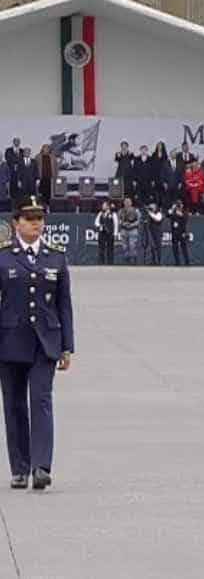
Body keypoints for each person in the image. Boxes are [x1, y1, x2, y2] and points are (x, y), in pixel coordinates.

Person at [0, 195, 74, 491]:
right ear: (16, 223)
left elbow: (64, 304)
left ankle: (41, 466)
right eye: (29, 219)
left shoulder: (55, 256)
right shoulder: (3, 256)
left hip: (45, 342)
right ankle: (20, 468)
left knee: (41, 401)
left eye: (39, 219)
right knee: (15, 405)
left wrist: (67, 345)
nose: (35, 224)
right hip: (9, 341)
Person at [118, 197, 141, 265]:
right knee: (124, 246)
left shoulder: (136, 210)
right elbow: (118, 220)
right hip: (124, 230)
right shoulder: (121, 211)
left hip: (133, 229)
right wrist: (123, 223)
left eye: (129, 202)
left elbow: (139, 220)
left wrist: (132, 224)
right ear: (124, 203)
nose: (127, 203)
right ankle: (126, 260)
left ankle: (133, 260)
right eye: (126, 202)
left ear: (131, 203)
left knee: (132, 245)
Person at [93, 200, 117, 266]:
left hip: (110, 233)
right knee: (101, 248)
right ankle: (101, 262)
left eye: (104, 205)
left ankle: (110, 263)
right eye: (103, 205)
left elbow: (116, 224)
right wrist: (100, 225)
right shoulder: (100, 213)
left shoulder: (113, 214)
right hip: (102, 233)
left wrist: (115, 233)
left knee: (110, 248)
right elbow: (96, 222)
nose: (103, 206)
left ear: (108, 206)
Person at [169, 200, 190, 266]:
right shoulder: (173, 211)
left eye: (179, 204)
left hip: (182, 232)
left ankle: (187, 262)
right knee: (175, 248)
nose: (178, 206)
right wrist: (172, 209)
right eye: (177, 205)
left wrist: (179, 213)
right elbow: (168, 214)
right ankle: (177, 262)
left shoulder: (184, 211)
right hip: (175, 232)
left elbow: (185, 218)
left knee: (184, 248)